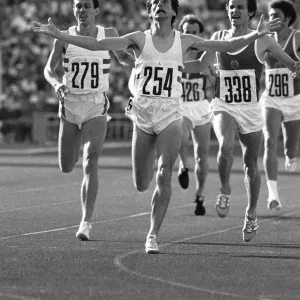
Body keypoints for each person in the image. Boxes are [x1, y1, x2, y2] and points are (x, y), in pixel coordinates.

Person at [30, 0, 281, 253]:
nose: (159, 5)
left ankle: (152, 235)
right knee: (141, 182)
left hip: (171, 113)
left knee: (164, 173)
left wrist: (256, 34)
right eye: (154, 3)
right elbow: (97, 45)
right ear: (150, 11)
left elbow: (226, 45)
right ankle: (149, 164)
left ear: (173, 12)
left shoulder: (184, 41)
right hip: (143, 114)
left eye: (164, 3)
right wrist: (60, 35)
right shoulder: (139, 39)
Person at [183, 0, 300, 242]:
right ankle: (225, 189)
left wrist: (296, 66)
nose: (234, 11)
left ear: (250, 13)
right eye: (231, 7)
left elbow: (292, 65)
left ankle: (251, 213)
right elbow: (199, 65)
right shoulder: (220, 37)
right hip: (223, 105)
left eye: (240, 7)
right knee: (225, 145)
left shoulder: (263, 40)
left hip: (251, 109)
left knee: (250, 164)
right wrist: (167, 63)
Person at [42, 0, 134, 241]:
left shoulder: (108, 34)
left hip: (96, 104)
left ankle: (86, 222)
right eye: (78, 6)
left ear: (96, 10)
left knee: (90, 161)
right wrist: (56, 84)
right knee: (66, 165)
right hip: (70, 105)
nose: (81, 10)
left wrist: (145, 61)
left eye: (86, 6)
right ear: (74, 11)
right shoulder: (63, 37)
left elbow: (124, 58)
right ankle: (74, 145)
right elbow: (48, 69)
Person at [261, 0, 300, 211]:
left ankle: (291, 155)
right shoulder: (265, 39)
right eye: (270, 14)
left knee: (291, 150)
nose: (272, 18)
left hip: (294, 100)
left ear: (287, 18)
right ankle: (273, 194)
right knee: (269, 141)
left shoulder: (297, 37)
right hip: (271, 99)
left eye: (276, 14)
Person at [177, 14, 216, 216]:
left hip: (200, 106)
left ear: (200, 35)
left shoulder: (207, 56)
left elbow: (217, 82)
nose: (190, 36)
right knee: (181, 139)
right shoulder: (176, 54)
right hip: (181, 106)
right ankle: (183, 165)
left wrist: (212, 76)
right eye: (186, 32)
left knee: (202, 156)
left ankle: (199, 195)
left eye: (194, 32)